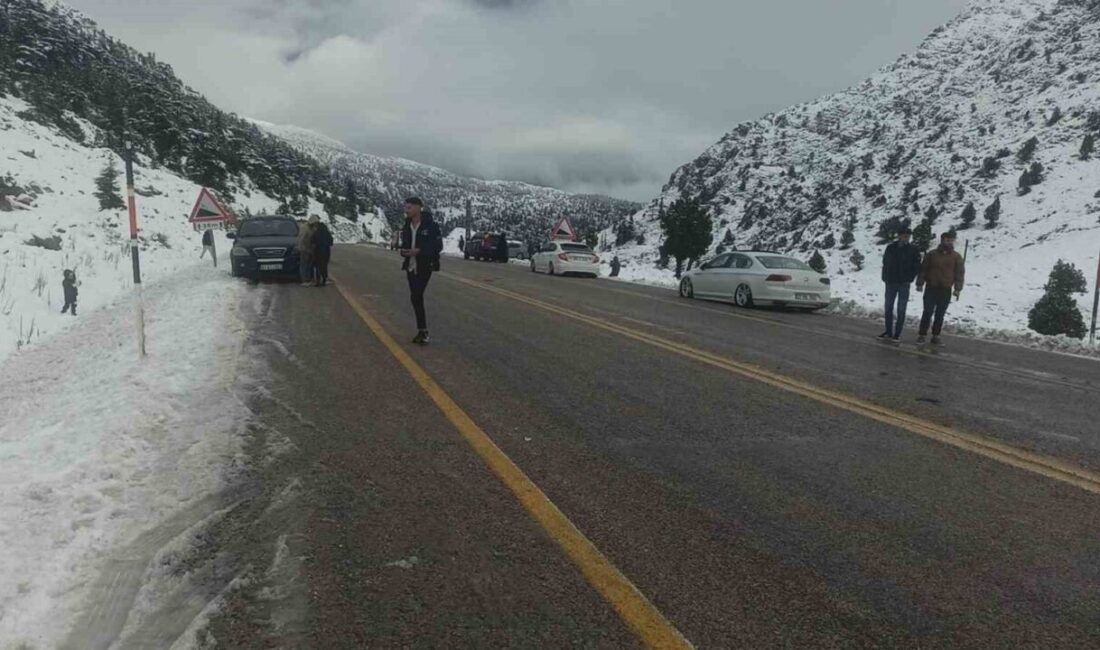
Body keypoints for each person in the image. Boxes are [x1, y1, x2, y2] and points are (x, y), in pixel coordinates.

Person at [399, 197, 443, 345]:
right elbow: (404, 243)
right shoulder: (406, 224)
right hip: (410, 265)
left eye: (409, 207)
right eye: (406, 207)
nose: (407, 210)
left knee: (417, 295)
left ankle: (423, 332)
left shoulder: (430, 226)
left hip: (425, 265)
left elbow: (438, 246)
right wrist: (404, 251)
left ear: (418, 208)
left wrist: (419, 251)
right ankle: (422, 331)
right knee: (415, 297)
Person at [916, 231, 965, 345]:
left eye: (951, 240)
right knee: (927, 312)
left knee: (940, 314)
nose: (949, 242)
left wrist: (957, 288)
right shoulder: (932, 254)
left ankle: (936, 336)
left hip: (945, 289)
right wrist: (920, 283)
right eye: (947, 240)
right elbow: (924, 269)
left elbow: (959, 273)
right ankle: (922, 335)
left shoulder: (956, 256)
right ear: (942, 240)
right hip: (931, 287)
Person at [879, 227, 922, 341]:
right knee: (888, 307)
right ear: (899, 236)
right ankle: (888, 331)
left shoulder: (913, 249)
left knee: (901, 309)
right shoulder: (890, 248)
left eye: (908, 236)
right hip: (890, 282)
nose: (906, 238)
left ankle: (897, 334)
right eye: (904, 236)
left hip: (904, 283)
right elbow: (885, 262)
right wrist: (885, 277)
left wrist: (910, 278)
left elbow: (917, 266)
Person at [298, 215, 319, 287]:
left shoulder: (312, 228)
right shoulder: (305, 228)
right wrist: (304, 248)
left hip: (310, 249)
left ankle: (309, 278)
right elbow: (301, 239)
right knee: (304, 264)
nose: (316, 224)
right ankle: (304, 280)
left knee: (309, 265)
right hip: (304, 249)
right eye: (315, 223)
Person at [313, 220, 334, 286]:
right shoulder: (327, 233)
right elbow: (331, 242)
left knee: (318, 266)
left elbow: (312, 241)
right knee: (324, 266)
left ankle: (318, 281)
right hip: (326, 251)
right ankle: (324, 280)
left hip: (318, 251)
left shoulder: (316, 232)